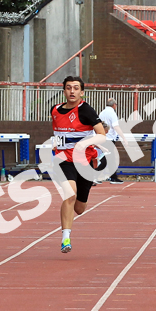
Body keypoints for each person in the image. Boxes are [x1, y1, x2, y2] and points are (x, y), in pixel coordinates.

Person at [50, 76, 108, 253]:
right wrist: (57, 143)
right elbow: (59, 133)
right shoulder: (55, 110)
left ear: (82, 92)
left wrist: (85, 143)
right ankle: (65, 238)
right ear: (64, 91)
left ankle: (72, 214)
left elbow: (101, 135)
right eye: (69, 88)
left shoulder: (86, 111)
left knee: (80, 208)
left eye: (76, 88)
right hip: (63, 160)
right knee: (70, 195)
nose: (72, 91)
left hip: (85, 162)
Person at [97, 98, 125, 184]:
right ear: (114, 105)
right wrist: (123, 137)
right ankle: (94, 175)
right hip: (109, 139)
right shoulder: (112, 113)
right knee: (107, 159)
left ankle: (113, 177)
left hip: (103, 138)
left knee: (109, 158)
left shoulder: (102, 113)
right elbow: (116, 126)